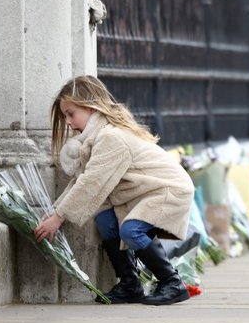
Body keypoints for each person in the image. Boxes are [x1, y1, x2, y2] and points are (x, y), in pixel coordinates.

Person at [34, 75, 195, 306]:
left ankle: (172, 282)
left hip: (166, 190)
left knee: (131, 230)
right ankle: (130, 284)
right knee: (105, 220)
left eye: (71, 114)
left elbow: (92, 183)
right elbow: (82, 180)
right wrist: (55, 211)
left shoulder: (111, 137)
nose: (68, 122)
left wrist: (58, 218)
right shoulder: (97, 137)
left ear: (91, 108)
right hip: (142, 193)